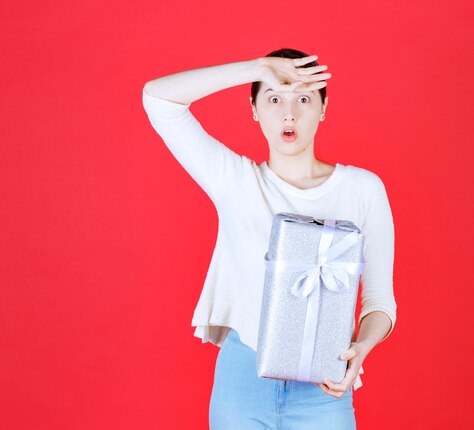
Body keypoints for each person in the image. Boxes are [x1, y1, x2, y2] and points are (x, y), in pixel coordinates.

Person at [142, 48, 397, 429]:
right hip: (242, 382)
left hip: (324, 386)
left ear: (323, 110)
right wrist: (257, 68)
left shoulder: (363, 190)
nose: (288, 113)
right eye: (274, 98)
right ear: (254, 109)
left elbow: (380, 302)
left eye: (304, 99)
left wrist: (362, 348)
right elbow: (158, 99)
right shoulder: (235, 181)